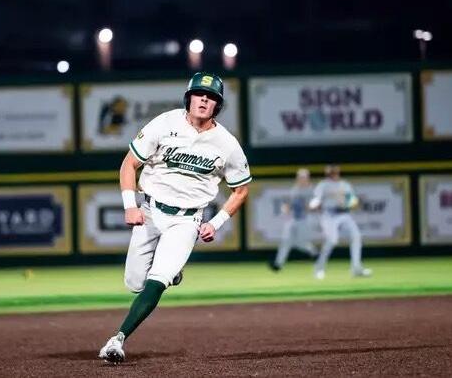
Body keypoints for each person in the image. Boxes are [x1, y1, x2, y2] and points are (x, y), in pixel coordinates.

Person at [98, 72, 252, 363]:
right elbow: (129, 164)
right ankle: (173, 272)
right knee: (134, 283)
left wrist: (216, 222)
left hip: (187, 220)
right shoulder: (165, 123)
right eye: (199, 94)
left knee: (157, 280)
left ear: (218, 106)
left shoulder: (226, 143)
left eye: (212, 97)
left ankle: (117, 340)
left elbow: (241, 190)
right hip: (150, 212)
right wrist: (130, 205)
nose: (204, 100)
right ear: (189, 98)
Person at [308, 165, 371, 279]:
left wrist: (354, 202)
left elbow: (352, 202)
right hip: (329, 215)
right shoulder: (323, 185)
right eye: (331, 172)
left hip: (344, 214)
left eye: (335, 172)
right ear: (328, 173)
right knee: (332, 241)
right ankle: (319, 269)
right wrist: (315, 205)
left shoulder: (345, 185)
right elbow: (316, 200)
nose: (333, 174)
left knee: (356, 236)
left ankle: (356, 268)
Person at [269, 168, 318, 271]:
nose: (301, 179)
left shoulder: (311, 190)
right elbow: (291, 203)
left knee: (300, 243)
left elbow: (315, 204)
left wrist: (309, 206)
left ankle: (314, 252)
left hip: (304, 219)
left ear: (307, 178)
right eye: (299, 177)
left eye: (303, 177)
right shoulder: (295, 189)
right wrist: (287, 207)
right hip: (293, 219)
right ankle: (278, 264)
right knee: (286, 241)